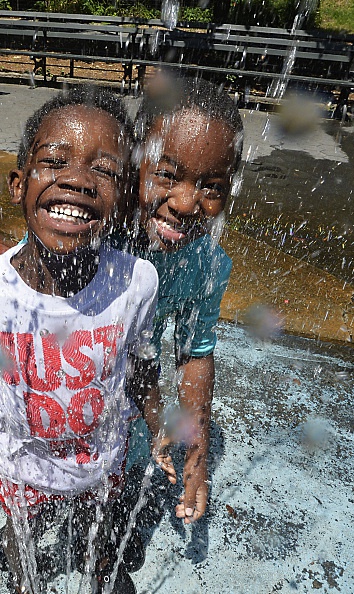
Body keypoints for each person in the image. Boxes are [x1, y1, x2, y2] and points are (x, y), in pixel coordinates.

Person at [0, 87, 175, 594]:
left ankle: (101, 569)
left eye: (104, 172)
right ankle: (25, 580)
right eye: (53, 162)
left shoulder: (137, 282)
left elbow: (142, 359)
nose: (77, 181)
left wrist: (157, 425)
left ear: (125, 200)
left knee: (100, 529)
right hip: (22, 461)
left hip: (101, 457)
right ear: (19, 185)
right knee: (23, 546)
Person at [126, 75, 244, 526]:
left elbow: (194, 352)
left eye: (211, 186)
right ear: (132, 163)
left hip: (137, 414)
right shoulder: (84, 235)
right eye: (167, 175)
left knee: (119, 516)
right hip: (65, 402)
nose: (186, 202)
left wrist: (197, 458)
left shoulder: (206, 263)